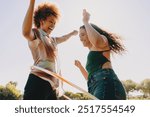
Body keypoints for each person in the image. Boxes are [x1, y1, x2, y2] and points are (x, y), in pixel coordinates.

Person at [22, 0, 78, 100]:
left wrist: (72, 33)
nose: (53, 25)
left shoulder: (52, 40)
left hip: (52, 87)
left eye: (54, 23)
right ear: (42, 21)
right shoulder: (36, 34)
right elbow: (26, 32)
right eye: (51, 21)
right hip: (38, 81)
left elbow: (64, 37)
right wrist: (32, 3)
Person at [74, 9, 126, 100]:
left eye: (82, 35)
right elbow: (89, 78)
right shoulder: (92, 53)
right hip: (96, 86)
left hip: (106, 83)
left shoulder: (102, 40)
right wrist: (80, 67)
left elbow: (97, 41)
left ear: (90, 32)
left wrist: (85, 22)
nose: (80, 38)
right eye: (79, 36)